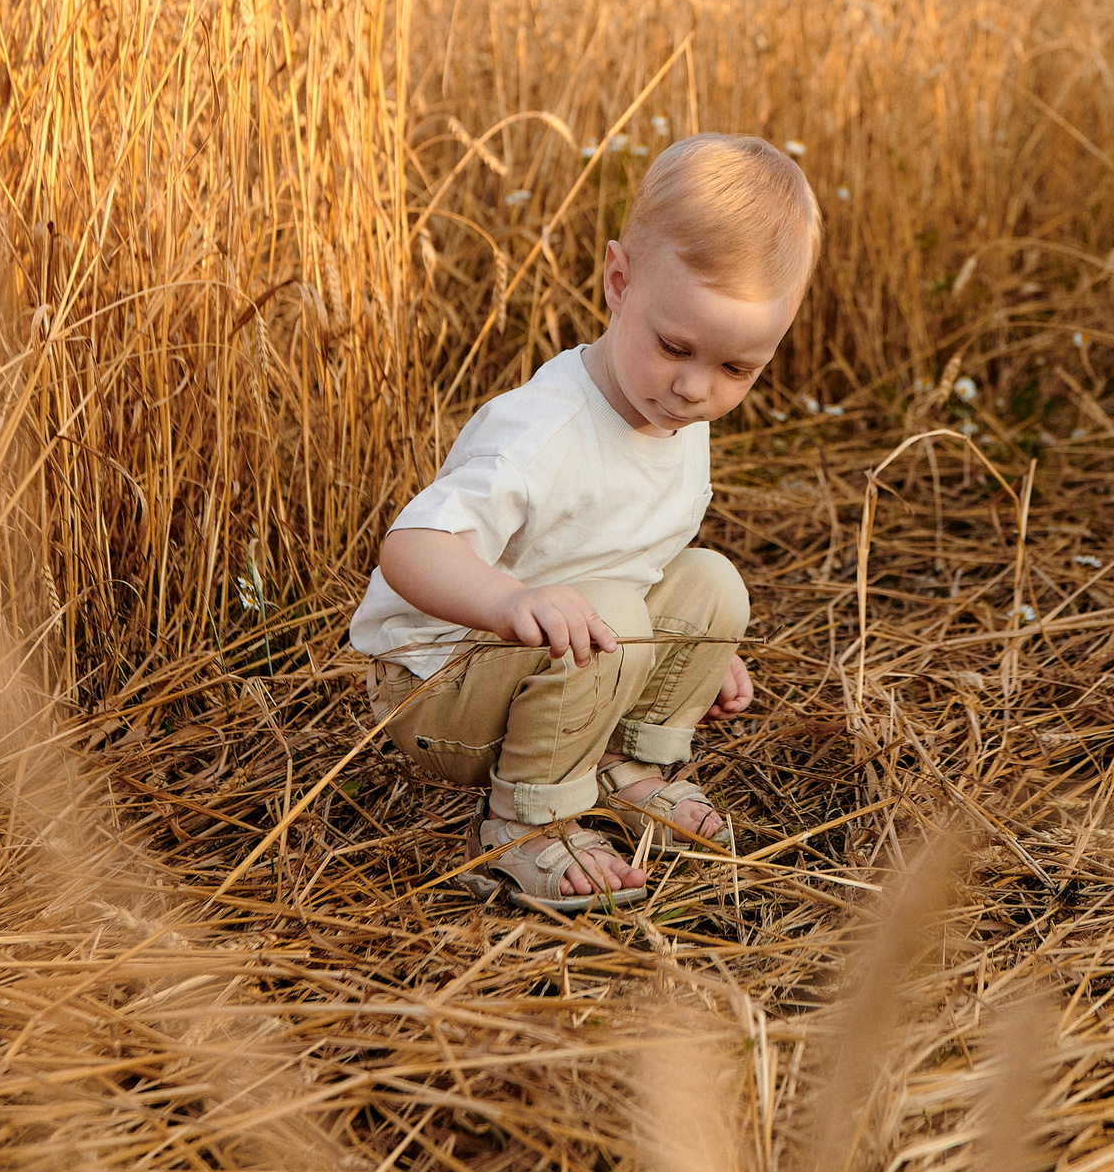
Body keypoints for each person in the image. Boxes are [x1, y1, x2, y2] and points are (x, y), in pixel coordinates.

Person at [348, 132, 820, 912]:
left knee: (713, 586)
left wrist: (690, 655)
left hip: (562, 652)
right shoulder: (544, 431)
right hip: (439, 681)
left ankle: (626, 769)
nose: (695, 388)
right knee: (610, 616)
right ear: (619, 281)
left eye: (737, 368)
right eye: (675, 346)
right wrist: (507, 600)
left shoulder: (674, 416)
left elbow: (634, 566)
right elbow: (409, 547)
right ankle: (523, 823)